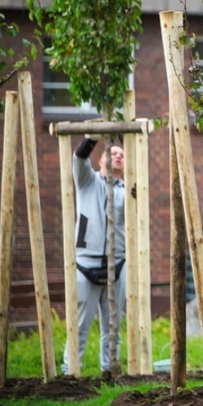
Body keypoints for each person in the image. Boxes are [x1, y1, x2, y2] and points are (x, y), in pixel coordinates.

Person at [62, 138, 126, 375]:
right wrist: (92, 137)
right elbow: (78, 158)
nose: (118, 156)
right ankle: (71, 372)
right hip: (86, 262)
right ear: (100, 161)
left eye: (122, 154)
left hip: (117, 261)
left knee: (113, 326)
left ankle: (110, 370)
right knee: (80, 323)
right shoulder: (87, 181)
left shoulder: (129, 190)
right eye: (112, 152)